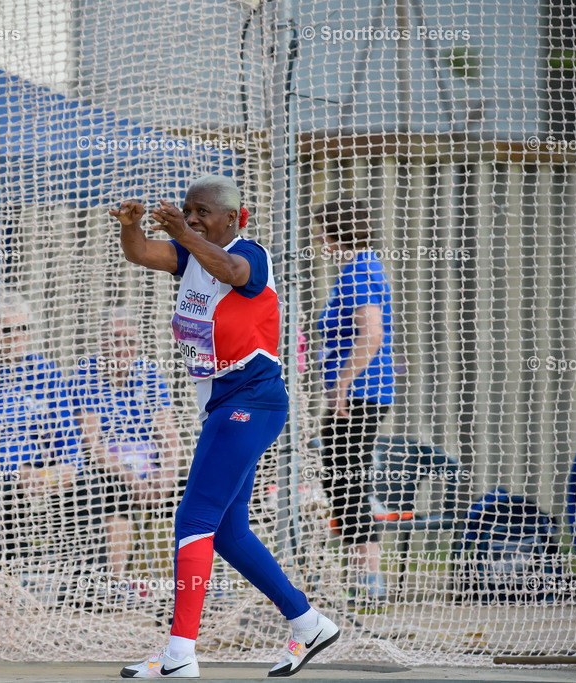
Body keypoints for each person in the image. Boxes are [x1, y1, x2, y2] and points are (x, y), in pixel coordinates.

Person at [111, 175, 338, 679]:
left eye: (202, 213)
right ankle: (307, 622)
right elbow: (141, 253)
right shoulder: (190, 254)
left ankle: (179, 655)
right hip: (224, 406)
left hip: (251, 403)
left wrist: (186, 236)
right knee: (229, 533)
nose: (191, 220)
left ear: (236, 218)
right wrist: (130, 227)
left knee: (193, 521)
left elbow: (234, 273)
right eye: (186, 212)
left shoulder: (251, 253)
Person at [0, 290, 105, 568]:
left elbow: (66, 430)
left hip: (43, 471)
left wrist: (68, 466)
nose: (17, 335)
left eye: (23, 328)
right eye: (7, 329)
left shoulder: (45, 371)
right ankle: (3, 577)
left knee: (87, 487)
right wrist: (17, 471)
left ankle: (84, 584)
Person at [313, 197, 396, 608]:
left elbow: (372, 334)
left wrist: (344, 383)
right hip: (355, 393)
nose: (317, 238)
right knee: (339, 478)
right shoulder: (354, 269)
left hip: (361, 394)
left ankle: (369, 576)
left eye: (321, 229)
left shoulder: (361, 270)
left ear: (335, 232)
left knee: (347, 480)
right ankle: (358, 572)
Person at [68, 307, 183, 579]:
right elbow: (93, 446)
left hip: (151, 473)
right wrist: (132, 479)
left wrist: (166, 475)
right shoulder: (85, 377)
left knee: (198, 494)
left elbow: (168, 433)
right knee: (116, 496)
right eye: (115, 339)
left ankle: (197, 583)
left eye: (129, 340)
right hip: (111, 471)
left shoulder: (150, 375)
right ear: (102, 342)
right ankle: (116, 584)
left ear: (138, 344)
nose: (122, 347)